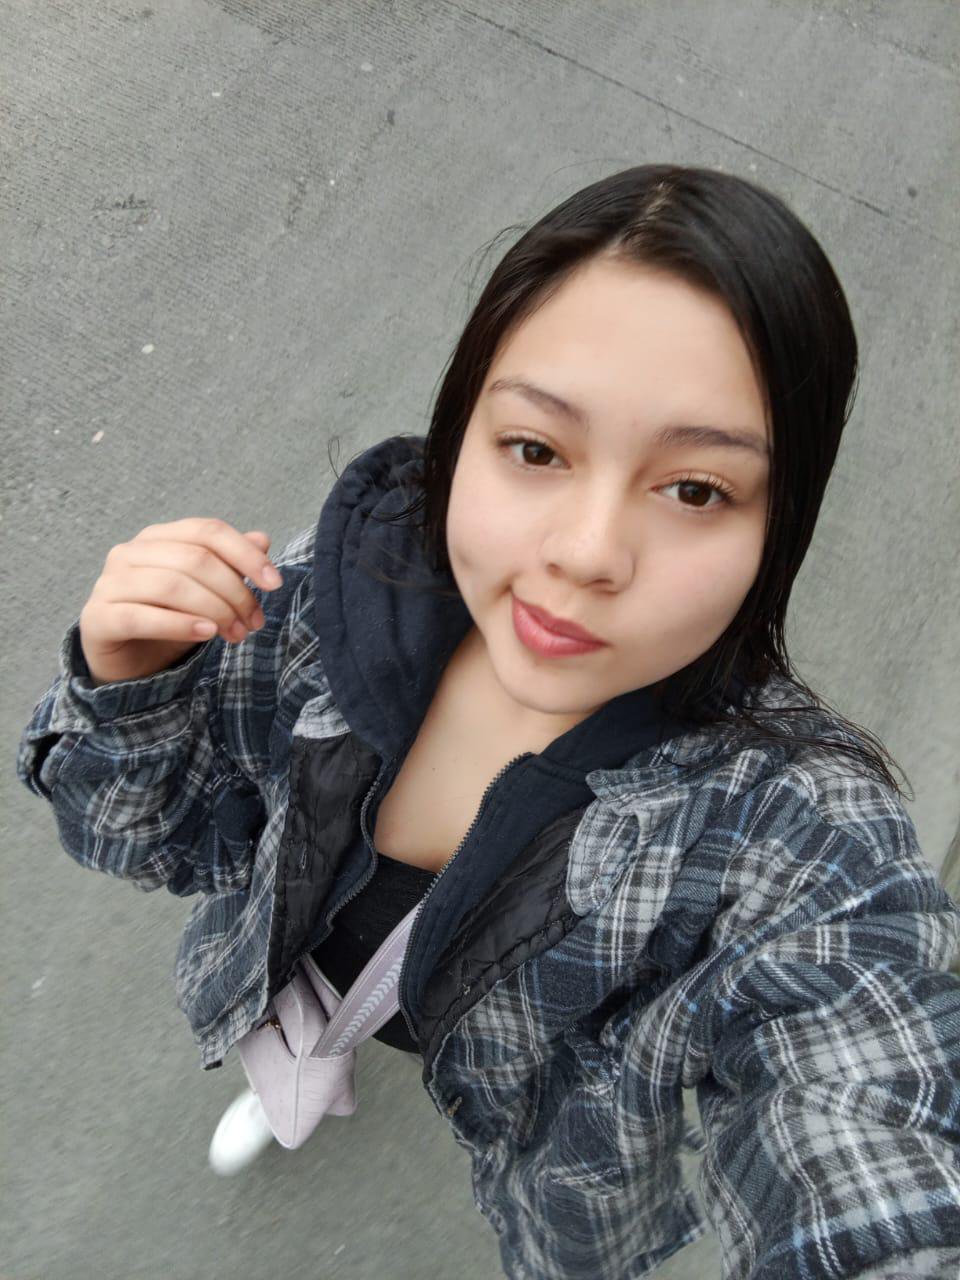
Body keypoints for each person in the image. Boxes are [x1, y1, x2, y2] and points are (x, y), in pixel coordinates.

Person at [16, 163, 960, 1279]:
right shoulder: (330, 604)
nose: (587, 553)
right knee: (332, 1013)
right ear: (462, 430)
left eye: (696, 489)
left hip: (524, 1114)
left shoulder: (786, 838)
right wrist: (129, 682)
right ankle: (301, 1066)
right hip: (312, 969)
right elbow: (145, 836)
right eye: (537, 449)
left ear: (778, 525)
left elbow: (863, 1104)